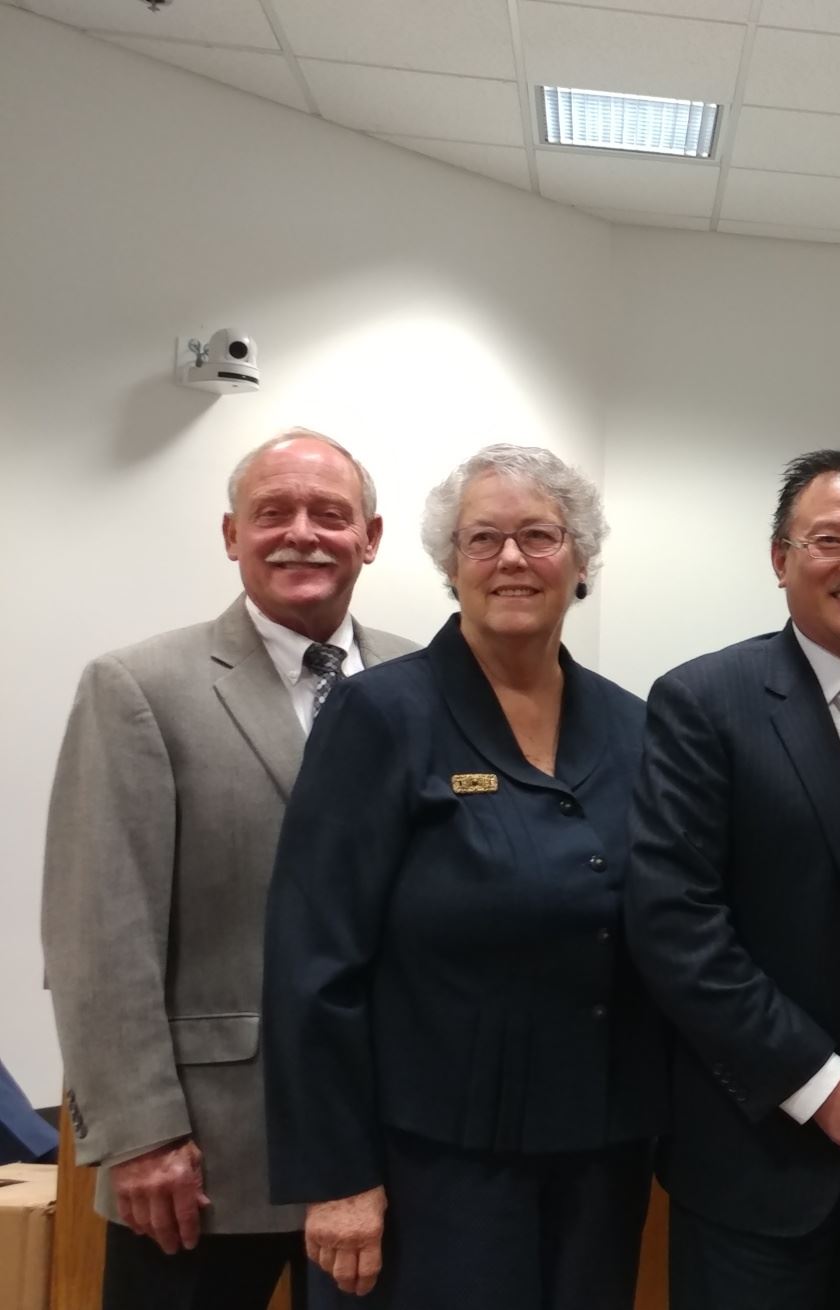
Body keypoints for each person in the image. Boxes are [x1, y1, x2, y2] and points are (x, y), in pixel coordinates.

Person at [263, 444, 665, 1308]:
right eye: (483, 539)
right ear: (451, 566)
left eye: (538, 536)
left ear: (580, 558)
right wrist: (337, 1177)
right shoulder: (380, 715)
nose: (512, 559)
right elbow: (313, 962)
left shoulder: (634, 726)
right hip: (432, 1168)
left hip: (601, 1156)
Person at [41, 429, 414, 1310]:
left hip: (389, 1147)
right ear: (230, 534)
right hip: (199, 1163)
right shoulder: (139, 687)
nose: (302, 533)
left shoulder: (426, 677)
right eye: (272, 512)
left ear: (371, 537)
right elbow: (99, 932)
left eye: (330, 514)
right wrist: (139, 1136)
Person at [625, 448, 840, 1310]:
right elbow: (676, 926)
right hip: (764, 1145)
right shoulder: (705, 703)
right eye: (829, 541)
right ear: (780, 559)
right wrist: (818, 1083)